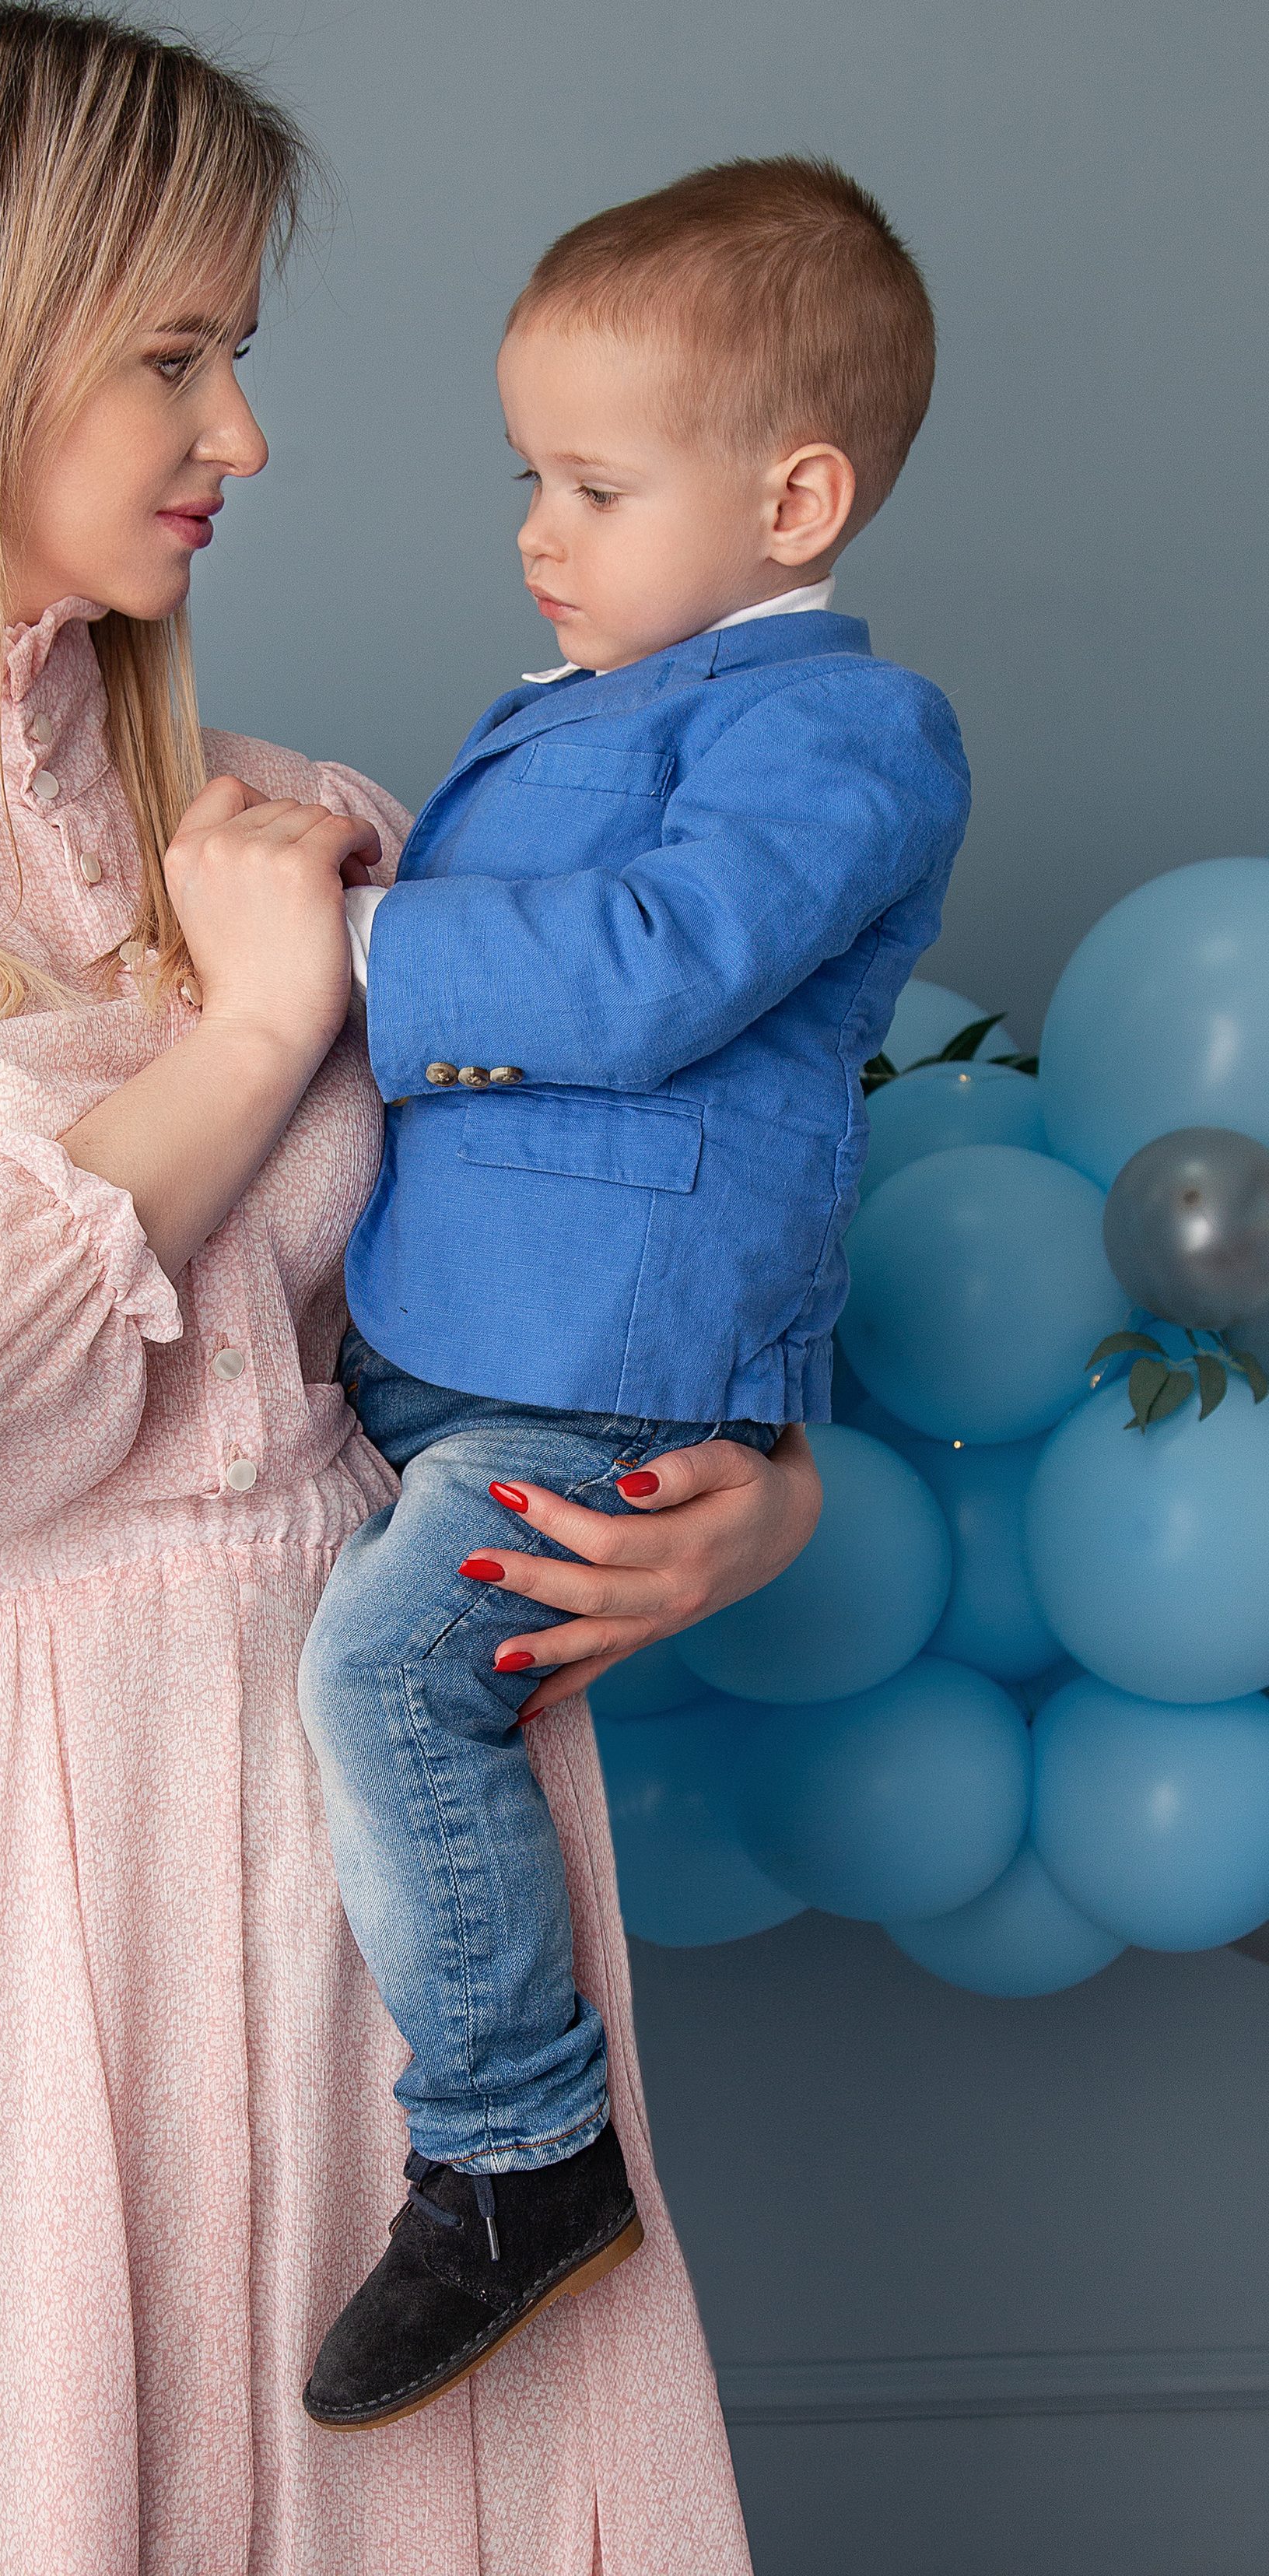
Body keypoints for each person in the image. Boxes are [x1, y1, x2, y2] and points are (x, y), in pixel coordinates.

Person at [0, 0, 822, 2575]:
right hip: (14, 1878)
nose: (243, 435)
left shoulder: (317, 824)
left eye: (244, 354)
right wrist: (247, 1034)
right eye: (176, 354)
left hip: (408, 1872)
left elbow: (633, 1241)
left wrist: (759, 1498)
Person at [297, 161, 972, 2431]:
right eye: (529, 478)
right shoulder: (588, 697)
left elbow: (664, 962)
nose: (534, 531)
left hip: (600, 1370)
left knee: (391, 1682)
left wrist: (358, 948)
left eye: (594, 484)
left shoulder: (839, 734)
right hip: (439, 1330)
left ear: (794, 496)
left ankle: (516, 2150)